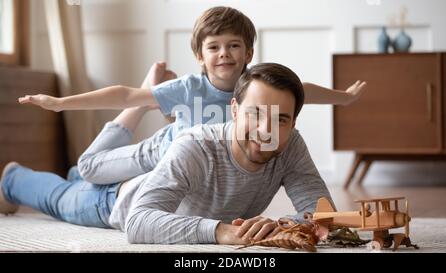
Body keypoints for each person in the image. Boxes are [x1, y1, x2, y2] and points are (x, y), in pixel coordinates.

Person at [18, 6, 366, 185]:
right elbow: (124, 94)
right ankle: (152, 88)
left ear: (248, 53)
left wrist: (344, 98)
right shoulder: (188, 87)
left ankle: (153, 97)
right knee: (89, 171)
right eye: (213, 47)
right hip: (161, 153)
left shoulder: (256, 87)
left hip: (197, 169)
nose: (224, 53)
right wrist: (60, 103)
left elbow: (301, 89)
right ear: (200, 56)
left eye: (234, 46)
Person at [1, 63, 333, 245]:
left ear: (292, 122)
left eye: (280, 119)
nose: (265, 130)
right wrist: (221, 231)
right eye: (255, 114)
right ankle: (13, 177)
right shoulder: (197, 145)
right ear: (234, 110)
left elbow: (321, 214)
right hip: (116, 201)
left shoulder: (292, 146)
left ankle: (77, 172)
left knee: (80, 174)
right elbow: (138, 222)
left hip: (155, 176)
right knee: (60, 198)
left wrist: (281, 226)